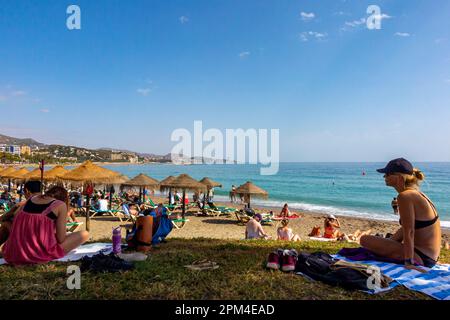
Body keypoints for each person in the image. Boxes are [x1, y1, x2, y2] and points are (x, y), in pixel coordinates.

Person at [360, 158, 441, 269]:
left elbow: (409, 231)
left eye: (387, 174)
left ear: (398, 177)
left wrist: (409, 262)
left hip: (419, 258)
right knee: (381, 241)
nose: (384, 177)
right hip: (430, 257)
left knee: (364, 240)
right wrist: (390, 242)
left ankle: (409, 259)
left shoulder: (404, 196)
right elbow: (407, 229)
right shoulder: (418, 194)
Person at [1, 186, 89, 265]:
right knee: (85, 234)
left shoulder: (31, 199)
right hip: (37, 254)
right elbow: (61, 239)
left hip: (13, 253)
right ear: (64, 199)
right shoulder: (60, 205)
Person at [0, 181, 42, 247]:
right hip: (43, 237)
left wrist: (15, 207)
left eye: (24, 193)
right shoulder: (49, 202)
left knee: (6, 224)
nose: (24, 195)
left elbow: (5, 218)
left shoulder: (26, 204)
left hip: (28, 238)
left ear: (27, 191)